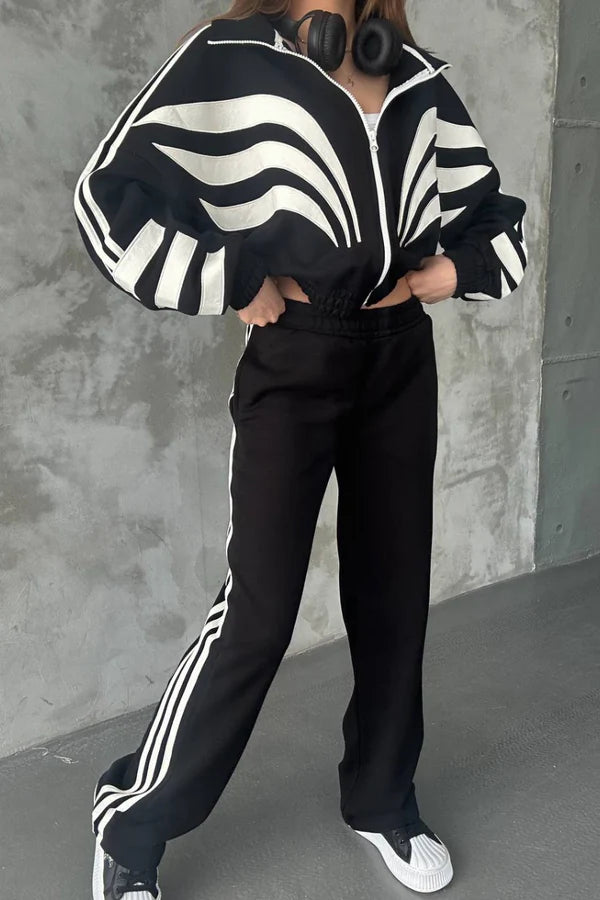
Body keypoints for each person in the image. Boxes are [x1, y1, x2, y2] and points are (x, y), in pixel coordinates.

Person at [74, 1, 527, 896]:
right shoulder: (231, 56)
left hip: (399, 358)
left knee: (394, 593)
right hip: (296, 357)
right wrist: (231, 278)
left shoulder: (415, 75)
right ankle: (132, 818)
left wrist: (454, 272)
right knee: (260, 610)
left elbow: (489, 212)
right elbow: (105, 198)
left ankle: (382, 799)